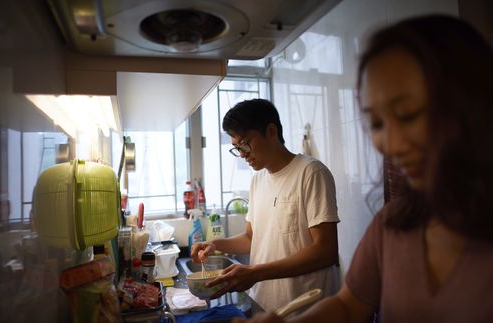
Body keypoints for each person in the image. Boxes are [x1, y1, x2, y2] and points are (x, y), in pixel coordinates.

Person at [235, 14, 493, 323]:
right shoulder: (392, 225)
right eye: (377, 123)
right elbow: (348, 305)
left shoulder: (310, 172)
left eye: (408, 114)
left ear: (471, 103)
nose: (391, 145)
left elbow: (325, 252)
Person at [190, 98, 340, 311]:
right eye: (236, 148)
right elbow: (252, 238)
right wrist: (216, 244)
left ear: (271, 131)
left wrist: (256, 272)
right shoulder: (258, 180)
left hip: (305, 307)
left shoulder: (310, 172)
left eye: (245, 144)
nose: (242, 154)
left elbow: (326, 251)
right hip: (264, 303)